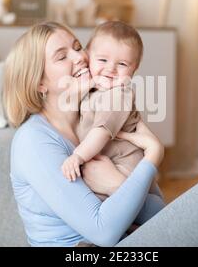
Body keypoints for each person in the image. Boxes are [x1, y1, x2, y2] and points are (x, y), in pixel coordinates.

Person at [3, 21, 198, 247]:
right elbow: (102, 231)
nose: (79, 57)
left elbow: (155, 211)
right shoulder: (35, 141)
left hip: (127, 240)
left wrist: (121, 183)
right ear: (39, 82)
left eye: (78, 46)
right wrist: (151, 157)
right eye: (61, 56)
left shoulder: (92, 121)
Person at [60, 21, 158, 200]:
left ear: (134, 69)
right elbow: (65, 98)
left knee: (102, 203)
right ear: (88, 57)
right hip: (108, 162)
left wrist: (78, 157)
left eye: (122, 64)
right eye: (103, 60)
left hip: (126, 166)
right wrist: (91, 82)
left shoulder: (118, 94)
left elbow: (101, 131)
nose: (111, 69)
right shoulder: (96, 89)